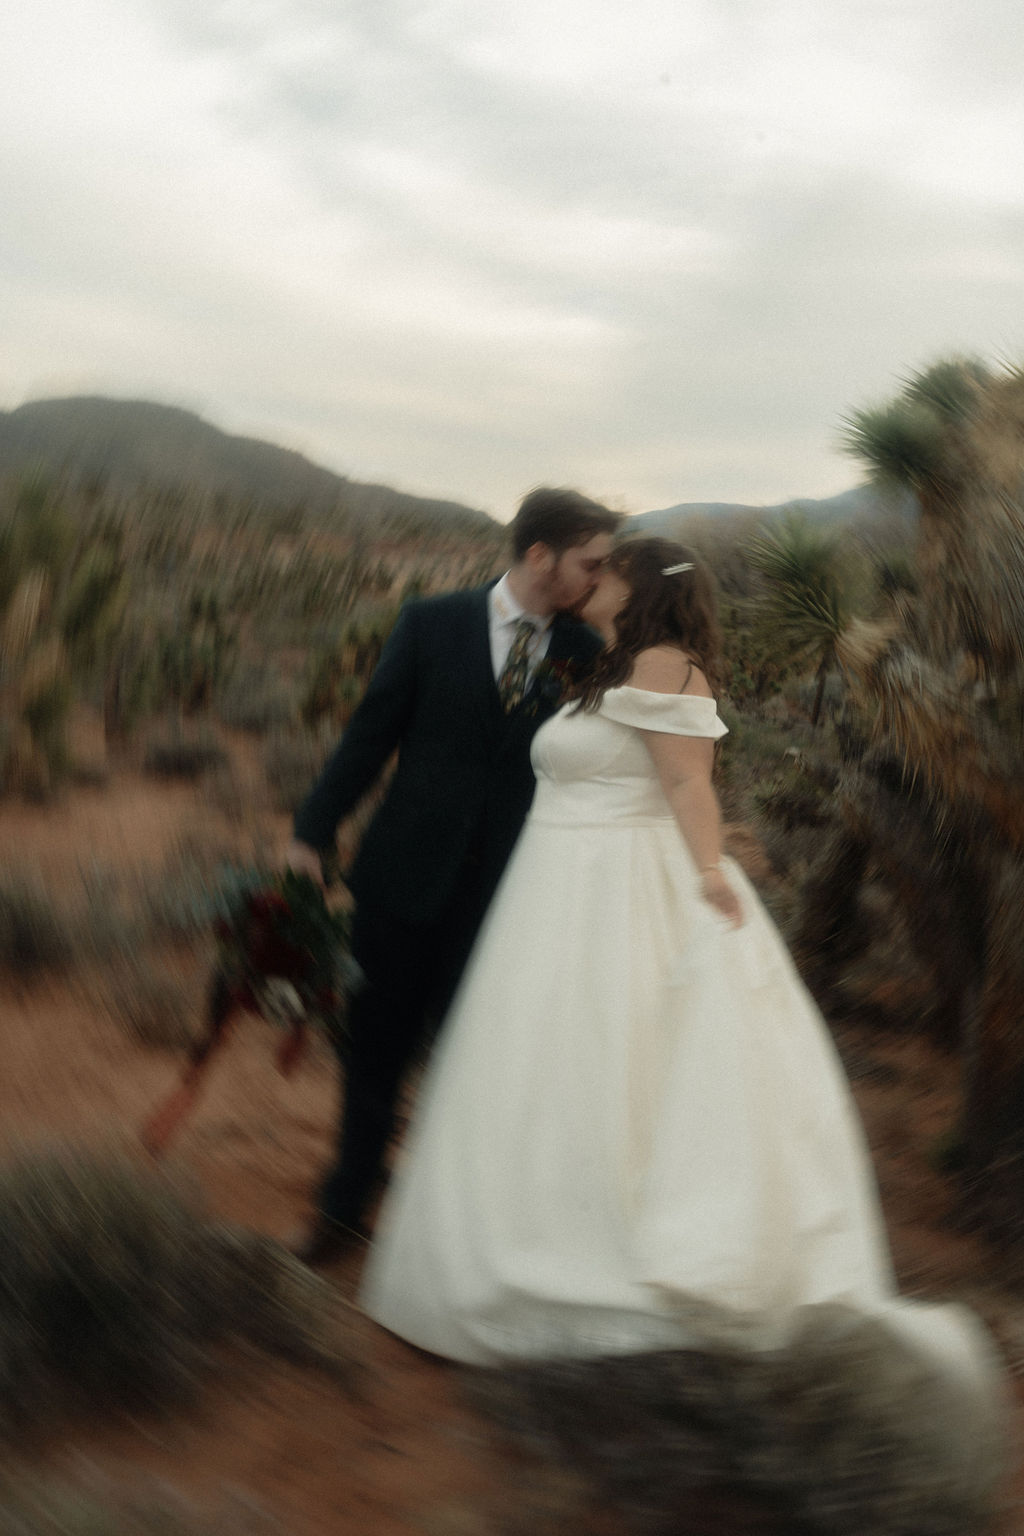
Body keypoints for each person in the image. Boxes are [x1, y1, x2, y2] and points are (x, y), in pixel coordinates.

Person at [359, 537, 1001, 1414]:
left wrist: (709, 873)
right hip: (557, 891)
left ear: (640, 587)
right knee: (550, 1068)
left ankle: (599, 1263)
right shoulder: (611, 662)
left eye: (606, 568)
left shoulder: (666, 663)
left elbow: (688, 784)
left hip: (618, 893)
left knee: (611, 1058)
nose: (592, 578)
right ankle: (519, 1241)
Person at [286, 487, 621, 1264]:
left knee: (475, 1064)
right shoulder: (431, 623)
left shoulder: (585, 653)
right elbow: (371, 734)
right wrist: (312, 829)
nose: (598, 579)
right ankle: (343, 1207)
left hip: (509, 897)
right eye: (589, 562)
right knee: (374, 1048)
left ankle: (448, 1229)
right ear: (540, 554)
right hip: (401, 876)